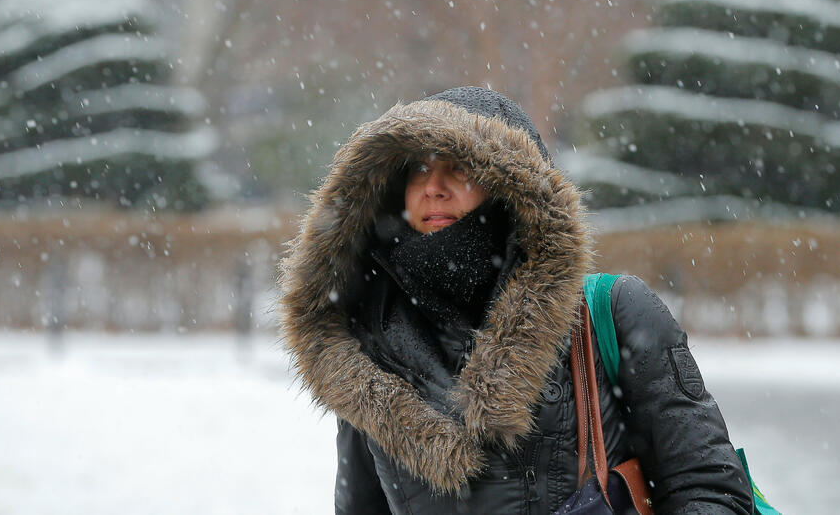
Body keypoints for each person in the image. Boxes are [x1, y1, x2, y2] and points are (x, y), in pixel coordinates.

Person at [279, 87, 753, 514]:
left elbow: (708, 488)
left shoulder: (611, 313)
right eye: (419, 167)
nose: (434, 186)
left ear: (512, 190)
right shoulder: (365, 353)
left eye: (459, 166)